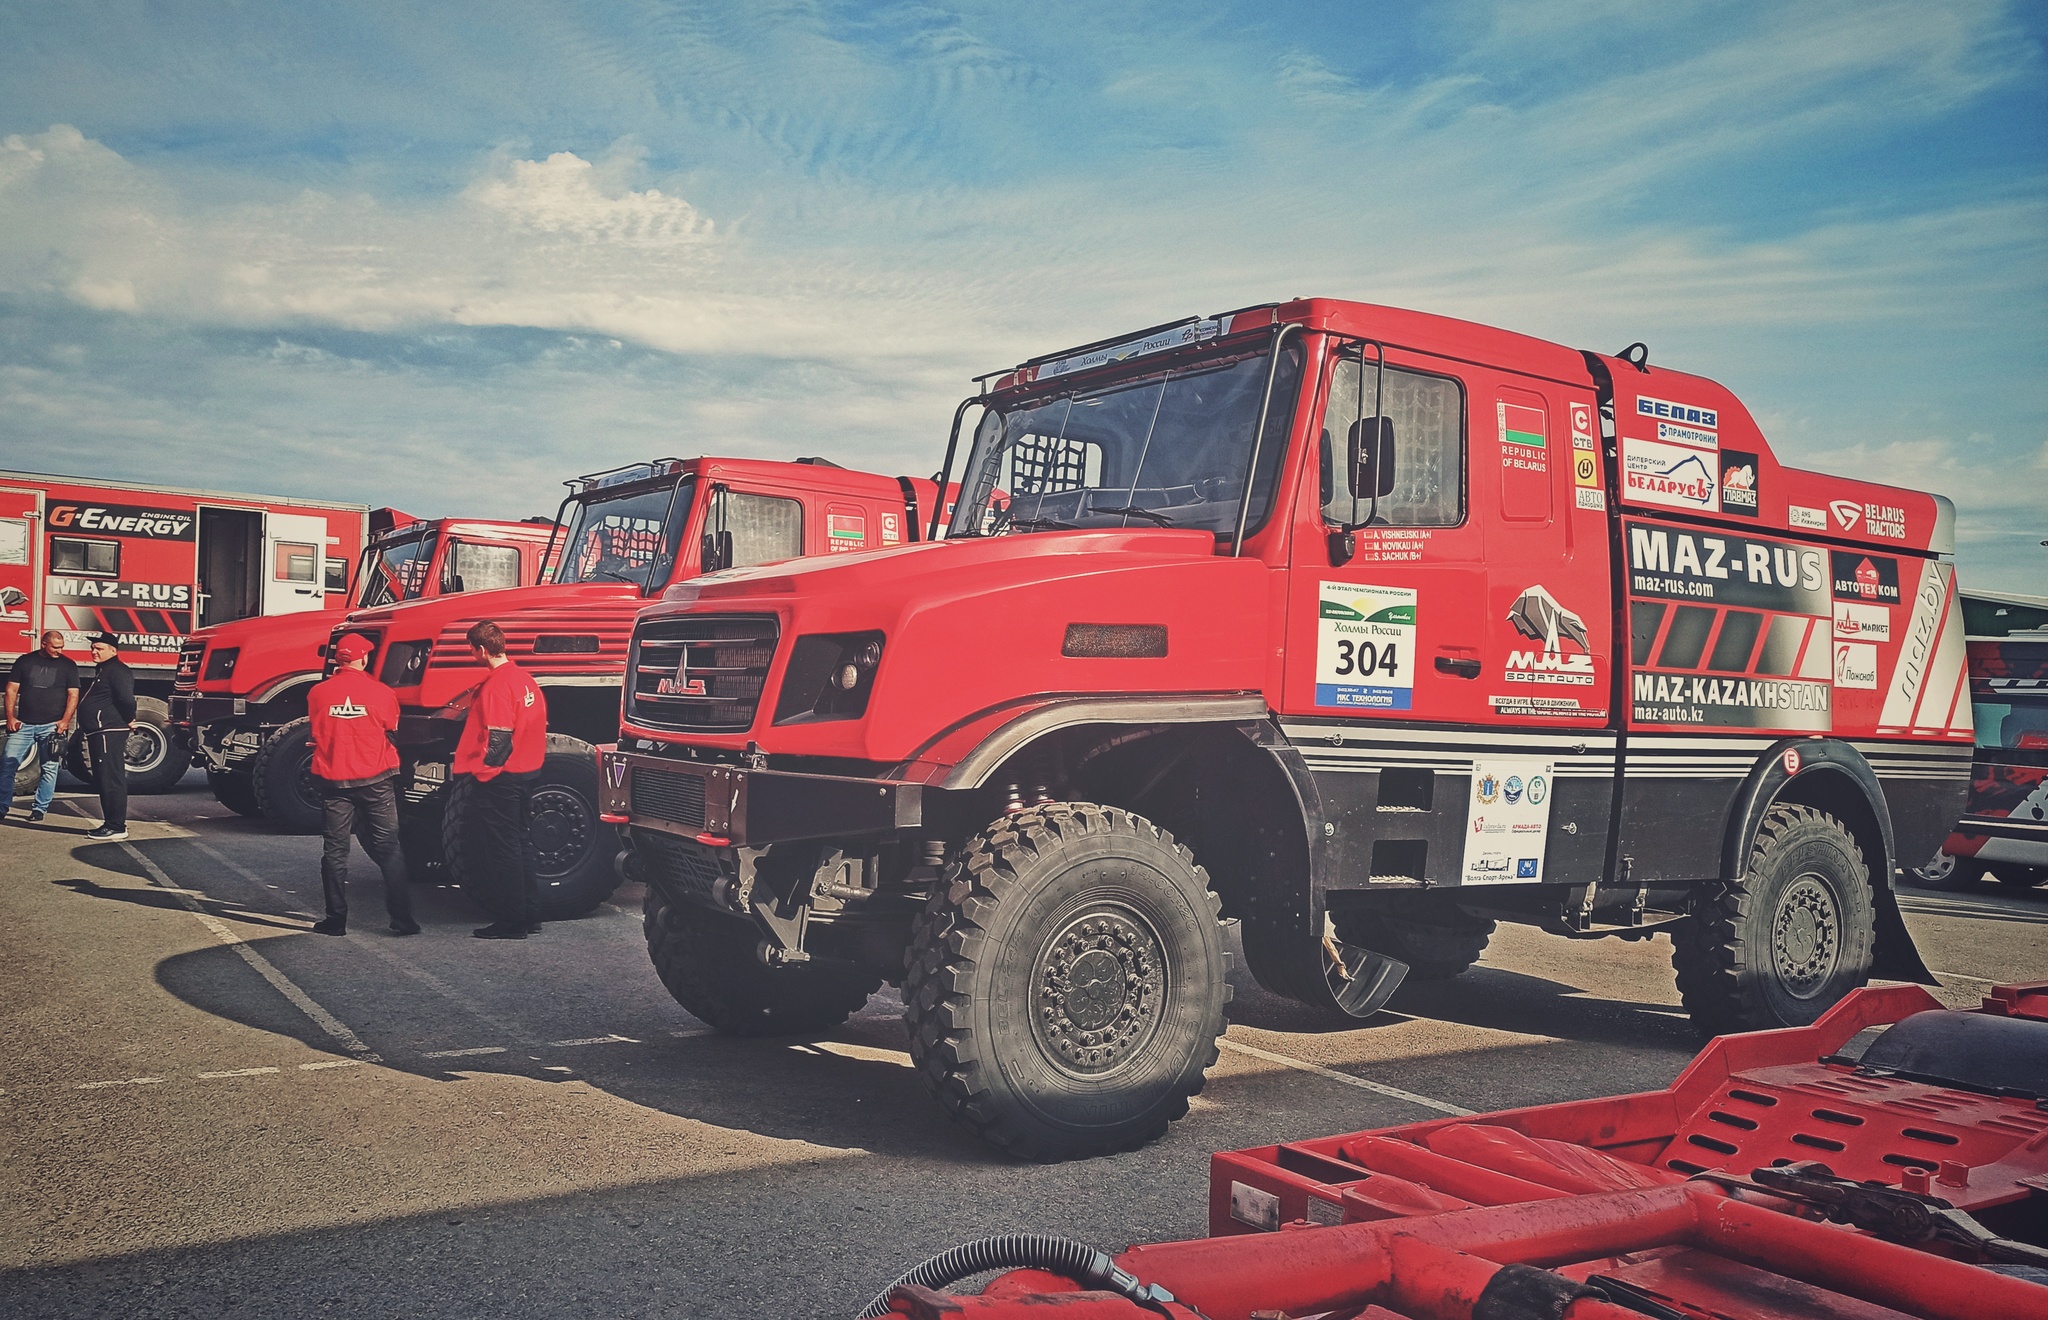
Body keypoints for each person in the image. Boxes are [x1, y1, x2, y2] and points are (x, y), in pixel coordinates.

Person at [305, 632, 417, 937]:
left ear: (338, 659)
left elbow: (316, 731)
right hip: (376, 780)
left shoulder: (317, 694)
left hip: (334, 782)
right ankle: (402, 918)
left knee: (335, 852)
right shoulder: (382, 693)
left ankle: (335, 920)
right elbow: (392, 730)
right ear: (364, 658)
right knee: (389, 849)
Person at [446, 619, 547, 939]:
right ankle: (530, 914)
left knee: (503, 850)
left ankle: (512, 921)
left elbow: (498, 739)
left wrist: (484, 774)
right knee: (520, 843)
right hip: (527, 771)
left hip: (502, 777)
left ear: (481, 650)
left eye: (471, 650)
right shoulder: (525, 680)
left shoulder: (496, 686)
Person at [3, 629, 80, 824]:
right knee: (7, 765)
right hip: (24, 725)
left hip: (51, 727)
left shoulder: (68, 665)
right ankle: (2, 807)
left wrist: (65, 721)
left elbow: (73, 695)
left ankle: (39, 809)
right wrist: (11, 717)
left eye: (61, 647)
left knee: (50, 768)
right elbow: (11, 690)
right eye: (55, 647)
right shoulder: (24, 661)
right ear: (43, 644)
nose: (59, 651)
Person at [76, 633, 137, 841]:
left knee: (111, 778)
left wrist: (129, 718)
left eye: (99, 648)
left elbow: (126, 699)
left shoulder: (117, 670)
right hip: (100, 731)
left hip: (108, 731)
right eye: (93, 648)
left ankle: (116, 826)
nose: (94, 651)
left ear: (113, 650)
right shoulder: (103, 670)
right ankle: (110, 823)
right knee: (103, 778)